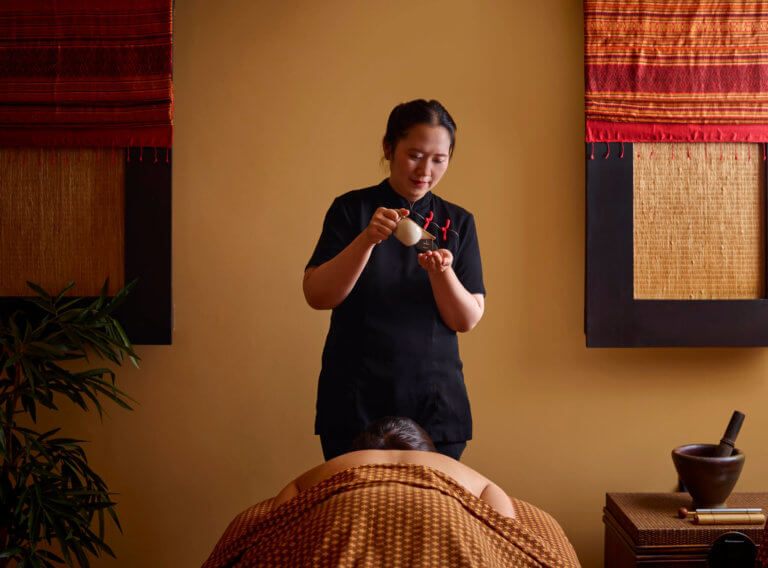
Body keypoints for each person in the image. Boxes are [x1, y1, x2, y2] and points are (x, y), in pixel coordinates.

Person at [304, 99, 485, 461]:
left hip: (434, 400)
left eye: (439, 159)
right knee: (354, 513)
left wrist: (442, 272)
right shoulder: (351, 209)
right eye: (415, 155)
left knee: (432, 515)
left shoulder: (458, 222)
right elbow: (317, 294)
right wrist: (367, 238)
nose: (425, 170)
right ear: (389, 148)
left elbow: (466, 319)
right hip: (355, 398)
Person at [273, 417, 514, 518]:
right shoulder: (448, 467)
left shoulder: (338, 465)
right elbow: (506, 527)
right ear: (429, 453)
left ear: (358, 450)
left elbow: (276, 521)